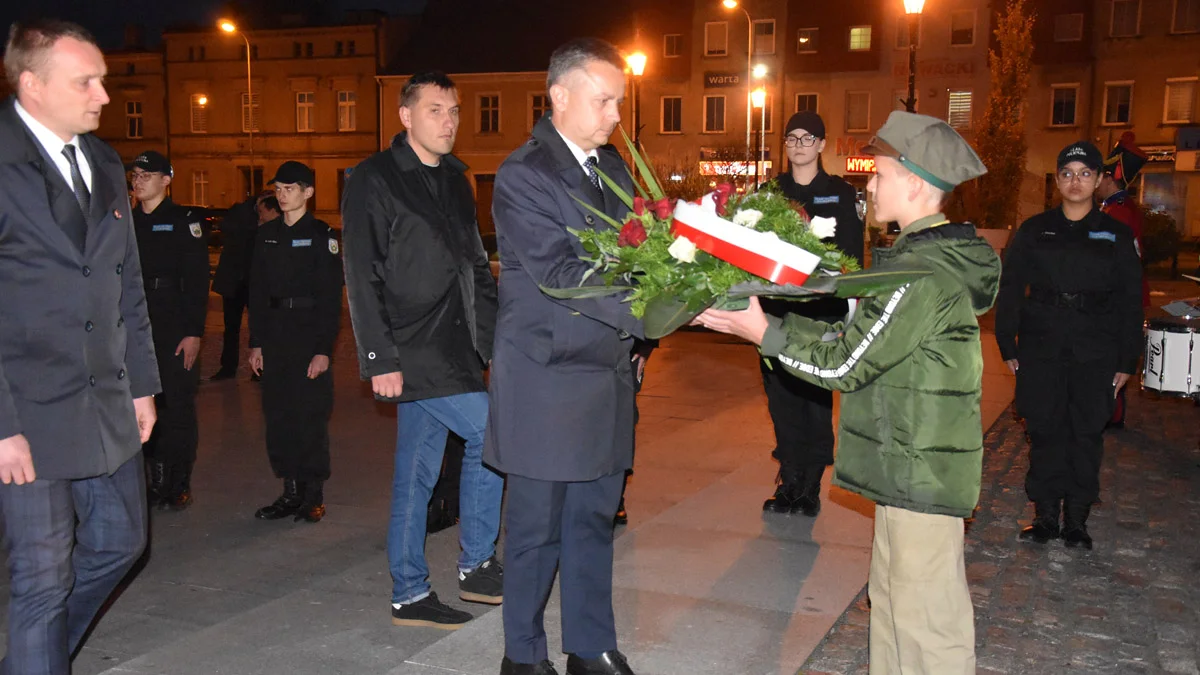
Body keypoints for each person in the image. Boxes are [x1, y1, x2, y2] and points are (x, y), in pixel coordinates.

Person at [697, 111, 998, 674]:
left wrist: (763, 332)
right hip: (905, 467)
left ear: (913, 183)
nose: (871, 185)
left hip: (920, 472)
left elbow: (845, 362)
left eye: (880, 174)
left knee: (927, 627)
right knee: (892, 610)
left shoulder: (921, 272)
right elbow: (855, 337)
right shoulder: (919, 261)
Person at [0, 20, 160, 673]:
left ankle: (33, 660)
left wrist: (144, 382)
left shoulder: (102, 161)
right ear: (32, 84)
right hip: (26, 412)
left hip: (107, 401)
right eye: (86, 81)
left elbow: (127, 284)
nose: (103, 95)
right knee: (41, 581)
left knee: (124, 541)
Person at [486, 38, 645, 675]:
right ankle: (522, 657)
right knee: (534, 532)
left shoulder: (614, 171)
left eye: (618, 102)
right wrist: (649, 310)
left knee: (593, 521)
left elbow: (644, 260)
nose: (614, 114)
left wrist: (651, 330)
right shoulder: (524, 174)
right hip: (547, 380)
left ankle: (589, 645)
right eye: (604, 99)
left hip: (606, 373)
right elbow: (561, 270)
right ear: (560, 95)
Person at [342, 71, 503, 630]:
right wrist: (377, 358)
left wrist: (493, 341)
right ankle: (477, 562)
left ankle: (409, 592)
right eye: (436, 110)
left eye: (455, 110)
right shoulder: (375, 177)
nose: (449, 121)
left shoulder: (460, 181)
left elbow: (477, 267)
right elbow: (361, 271)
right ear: (405, 116)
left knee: (415, 471)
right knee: (492, 431)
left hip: (456, 344)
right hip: (411, 347)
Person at [995, 141, 1142, 549]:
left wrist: (1128, 359)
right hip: (1041, 348)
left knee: (1085, 434)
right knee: (1043, 430)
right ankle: (1044, 515)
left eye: (1084, 173)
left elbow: (1131, 301)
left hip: (1095, 351)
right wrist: (1008, 343)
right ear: (1057, 181)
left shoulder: (1117, 234)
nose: (1075, 181)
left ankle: (1076, 519)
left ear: (1097, 180)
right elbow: (1010, 291)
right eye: (1067, 173)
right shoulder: (1034, 230)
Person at [760, 111, 865, 516]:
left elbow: (852, 259)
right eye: (792, 138)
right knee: (782, 399)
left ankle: (810, 488)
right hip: (777, 314)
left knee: (815, 401)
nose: (799, 145)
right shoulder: (770, 193)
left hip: (822, 315)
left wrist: (850, 316)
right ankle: (789, 483)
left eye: (808, 138)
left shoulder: (841, 193)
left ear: (822, 145)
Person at [248, 161, 343, 523]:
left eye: (290, 188)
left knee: (309, 417)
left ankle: (312, 493)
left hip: (307, 336)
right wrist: (255, 342)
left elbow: (330, 296)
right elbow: (257, 292)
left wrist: (323, 349)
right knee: (279, 416)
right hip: (274, 336)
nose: (282, 194)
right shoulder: (267, 234)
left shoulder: (323, 235)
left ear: (308, 193)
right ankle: (289, 491)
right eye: (278, 189)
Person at [129, 150, 209, 510]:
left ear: (166, 180)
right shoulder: (125, 222)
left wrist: (193, 331)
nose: (138, 180)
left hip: (173, 323)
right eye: (135, 174)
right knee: (143, 400)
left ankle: (179, 481)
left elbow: (195, 280)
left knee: (177, 405)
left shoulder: (183, 220)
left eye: (147, 175)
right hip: (136, 324)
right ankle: (155, 479)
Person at [1097, 132, 1150, 429]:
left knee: (1111, 356)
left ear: (1109, 180)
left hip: (1117, 298)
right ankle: (1111, 412)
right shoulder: (1117, 209)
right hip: (1120, 296)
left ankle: (1110, 413)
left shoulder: (1117, 213)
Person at [210, 190, 266, 381]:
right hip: (234, 280)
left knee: (258, 327)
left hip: (254, 281)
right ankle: (228, 366)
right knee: (231, 327)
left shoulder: (268, 217)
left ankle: (259, 368)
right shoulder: (241, 212)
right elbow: (227, 227)